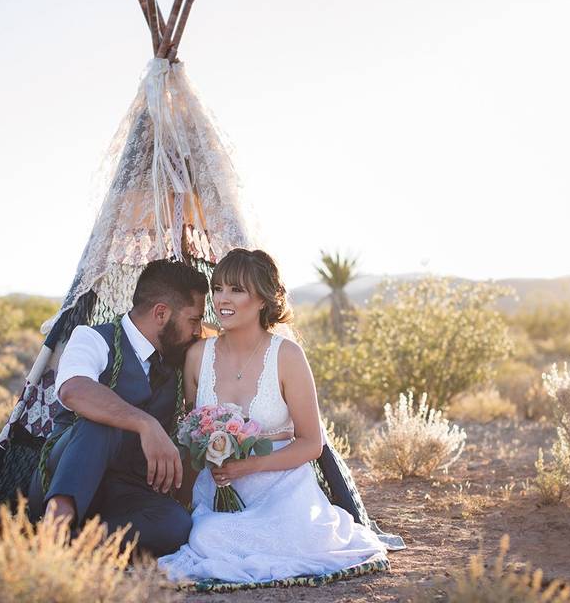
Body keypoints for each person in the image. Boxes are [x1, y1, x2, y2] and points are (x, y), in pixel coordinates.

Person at [158, 248, 390, 582]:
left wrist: (249, 465)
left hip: (282, 486)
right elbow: (194, 433)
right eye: (219, 288)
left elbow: (312, 443)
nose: (223, 298)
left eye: (237, 290)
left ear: (263, 299)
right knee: (205, 537)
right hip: (220, 488)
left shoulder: (287, 356)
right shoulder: (197, 355)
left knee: (306, 537)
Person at [27, 258, 208, 557]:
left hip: (124, 492)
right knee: (99, 421)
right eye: (193, 320)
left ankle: (73, 545)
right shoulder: (92, 338)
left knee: (176, 525)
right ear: (161, 313)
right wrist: (145, 423)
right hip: (63, 479)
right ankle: (55, 527)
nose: (199, 330)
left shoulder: (178, 359)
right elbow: (74, 390)